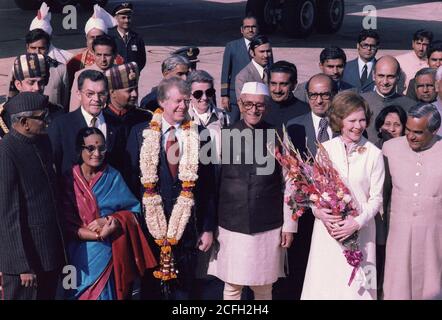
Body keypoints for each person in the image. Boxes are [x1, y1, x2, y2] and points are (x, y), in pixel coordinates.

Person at [126, 77, 217, 300]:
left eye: (186, 101)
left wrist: (207, 227)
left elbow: (208, 186)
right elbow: (130, 182)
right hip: (150, 228)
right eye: (177, 101)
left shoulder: (200, 135)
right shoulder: (140, 133)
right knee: (150, 292)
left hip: (187, 229)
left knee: (184, 293)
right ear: (162, 102)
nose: (183, 106)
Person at [208, 82, 297, 300]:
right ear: (239, 103)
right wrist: (208, 226)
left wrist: (290, 225)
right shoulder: (221, 135)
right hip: (231, 223)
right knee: (232, 287)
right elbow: (212, 184)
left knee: (264, 288)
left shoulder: (278, 136)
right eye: (248, 104)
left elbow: (290, 182)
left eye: (259, 105)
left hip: (269, 225)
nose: (253, 110)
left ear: (266, 106)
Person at [301, 91, 385, 300]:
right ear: (339, 121)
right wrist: (319, 212)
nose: (358, 126)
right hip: (328, 232)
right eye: (352, 120)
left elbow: (376, 199)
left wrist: (357, 223)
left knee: (362, 290)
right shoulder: (325, 150)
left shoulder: (374, 153)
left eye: (362, 120)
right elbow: (315, 193)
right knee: (324, 286)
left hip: (363, 235)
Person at [61, 127, 156, 300]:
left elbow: (134, 212)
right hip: (76, 254)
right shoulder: (68, 179)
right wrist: (96, 235)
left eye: (101, 148)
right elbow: (65, 222)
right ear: (79, 149)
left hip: (107, 251)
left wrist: (109, 220)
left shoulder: (112, 176)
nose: (97, 153)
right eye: (90, 148)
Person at [0, 92, 65, 300]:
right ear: (24, 122)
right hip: (26, 262)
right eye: (42, 117)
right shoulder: (7, 152)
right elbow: (8, 214)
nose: (47, 121)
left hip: (48, 253)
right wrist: (22, 265)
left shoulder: (42, 141)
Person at [278, 73, 336, 300]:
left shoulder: (343, 125)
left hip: (335, 211)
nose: (319, 100)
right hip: (305, 212)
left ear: (334, 94)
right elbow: (289, 173)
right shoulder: (294, 126)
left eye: (325, 94)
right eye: (314, 95)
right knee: (300, 267)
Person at [382, 103, 442, 300]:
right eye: (407, 130)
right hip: (398, 231)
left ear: (433, 131)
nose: (410, 136)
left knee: (431, 284)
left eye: (418, 132)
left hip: (434, 235)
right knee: (396, 284)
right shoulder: (390, 147)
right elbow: (383, 193)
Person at [49, 70, 121, 176]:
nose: (96, 99)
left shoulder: (117, 124)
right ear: (79, 94)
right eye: (90, 94)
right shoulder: (61, 125)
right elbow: (53, 166)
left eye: (102, 94)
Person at [372, 104, 407, 298]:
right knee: (371, 266)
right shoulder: (370, 150)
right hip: (372, 221)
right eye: (387, 124)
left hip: (396, 222)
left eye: (397, 125)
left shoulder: (409, 155)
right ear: (379, 126)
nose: (391, 129)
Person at [1, 53, 64, 139]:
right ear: (18, 84)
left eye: (41, 82)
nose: (37, 88)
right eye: (31, 82)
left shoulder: (56, 112)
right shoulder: (3, 116)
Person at [103, 62, 150, 172]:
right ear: (112, 92)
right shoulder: (101, 119)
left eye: (136, 89)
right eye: (129, 90)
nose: (134, 94)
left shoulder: (146, 117)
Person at [66, 4, 123, 92]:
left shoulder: (118, 60)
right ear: (86, 38)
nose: (95, 41)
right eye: (92, 37)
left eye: (99, 37)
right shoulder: (75, 61)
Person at [361, 55, 416, 142]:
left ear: (398, 77)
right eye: (381, 76)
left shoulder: (411, 106)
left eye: (390, 76)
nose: (385, 82)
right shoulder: (361, 101)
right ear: (373, 75)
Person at [220, 15, 258, 123]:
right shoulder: (232, 46)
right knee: (232, 126)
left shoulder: (263, 47)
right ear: (242, 30)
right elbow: (225, 72)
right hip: (235, 96)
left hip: (255, 96)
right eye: (247, 27)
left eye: (253, 27)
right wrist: (224, 95)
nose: (250, 29)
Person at [69, 35, 119, 112]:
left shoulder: (121, 73)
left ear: (115, 55)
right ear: (93, 54)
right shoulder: (81, 74)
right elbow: (75, 108)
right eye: (99, 55)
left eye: (107, 55)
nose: (103, 59)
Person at [187, 69, 227, 163]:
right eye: (198, 94)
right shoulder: (183, 118)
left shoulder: (223, 118)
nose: (204, 98)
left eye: (209, 92)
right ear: (189, 95)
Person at [263, 60, 309, 129]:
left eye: (283, 84)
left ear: (294, 85)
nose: (277, 90)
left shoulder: (307, 112)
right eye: (273, 84)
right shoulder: (259, 110)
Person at [109, 2, 146, 72]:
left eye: (129, 17)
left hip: (133, 77)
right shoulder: (110, 38)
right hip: (115, 76)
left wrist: (136, 71)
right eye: (123, 18)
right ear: (116, 18)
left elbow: (142, 60)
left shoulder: (137, 38)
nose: (126, 20)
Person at [235, 35, 273, 100]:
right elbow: (243, 105)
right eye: (262, 52)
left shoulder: (274, 72)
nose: (266, 55)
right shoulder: (243, 77)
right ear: (252, 53)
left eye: (268, 51)